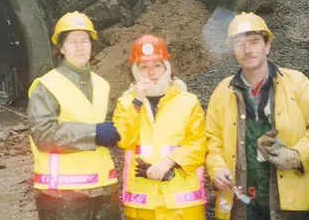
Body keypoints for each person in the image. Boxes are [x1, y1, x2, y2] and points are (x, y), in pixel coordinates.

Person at [205, 12, 309, 219]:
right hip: (241, 203)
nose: (248, 50)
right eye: (240, 43)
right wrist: (217, 168)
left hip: (290, 202)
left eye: (254, 42)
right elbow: (211, 140)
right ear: (233, 50)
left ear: (267, 46)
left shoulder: (296, 83)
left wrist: (297, 155)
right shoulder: (223, 92)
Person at [27, 11, 121, 220]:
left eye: (84, 40)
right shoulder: (47, 87)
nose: (80, 47)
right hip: (62, 196)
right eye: (72, 41)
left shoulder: (102, 85)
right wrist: (93, 133)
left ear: (92, 45)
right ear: (61, 47)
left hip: (104, 189)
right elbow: (43, 135)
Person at [113, 35, 207, 220]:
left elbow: (199, 144)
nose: (151, 73)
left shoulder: (188, 102)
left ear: (167, 68)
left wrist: (169, 161)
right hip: (142, 201)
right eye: (144, 67)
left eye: (157, 65)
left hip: (182, 202)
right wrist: (137, 101)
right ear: (135, 71)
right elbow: (123, 140)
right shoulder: (126, 103)